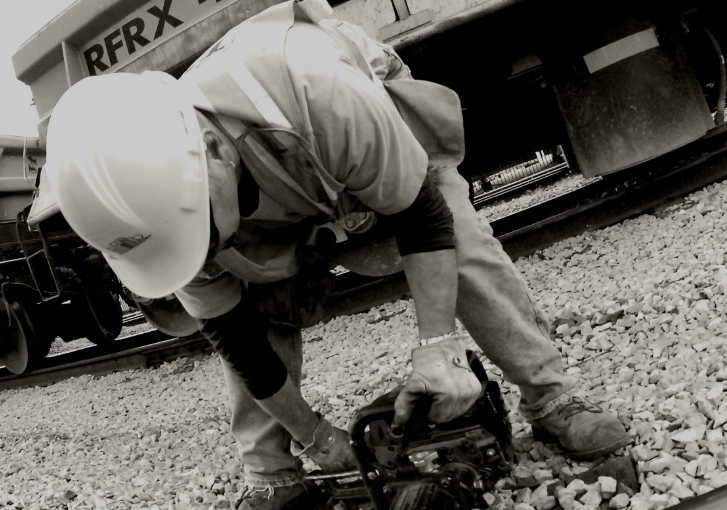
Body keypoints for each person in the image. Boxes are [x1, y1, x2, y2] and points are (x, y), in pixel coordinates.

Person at [44, 1, 629, 508]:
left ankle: (554, 398)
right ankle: (271, 470)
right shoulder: (157, 209)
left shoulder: (315, 88)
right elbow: (236, 340)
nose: (196, 256)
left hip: (353, 137)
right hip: (279, 186)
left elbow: (423, 217)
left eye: (194, 234)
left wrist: (438, 350)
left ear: (213, 153)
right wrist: (316, 435)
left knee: (463, 242)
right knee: (256, 307)